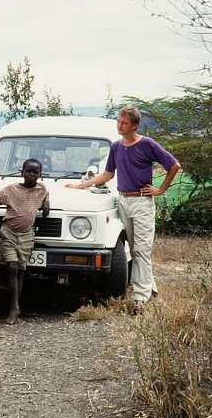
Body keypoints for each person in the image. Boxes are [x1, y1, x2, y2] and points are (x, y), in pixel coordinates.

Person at [66, 105, 180, 313]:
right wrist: (79, 185)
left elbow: (173, 165)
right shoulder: (117, 147)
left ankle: (140, 298)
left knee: (141, 250)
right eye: (119, 121)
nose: (120, 125)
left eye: (124, 122)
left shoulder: (147, 144)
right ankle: (150, 287)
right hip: (123, 201)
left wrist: (160, 190)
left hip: (142, 202)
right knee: (135, 248)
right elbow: (107, 175)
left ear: (134, 125)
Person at [0, 158, 50, 324]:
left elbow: (45, 192)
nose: (31, 174)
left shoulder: (41, 189)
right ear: (22, 172)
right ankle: (13, 307)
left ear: (40, 174)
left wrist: (46, 201)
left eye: (35, 172)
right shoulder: (11, 189)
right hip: (9, 232)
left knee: (21, 270)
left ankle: (16, 307)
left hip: (26, 235)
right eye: (28, 171)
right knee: (11, 267)